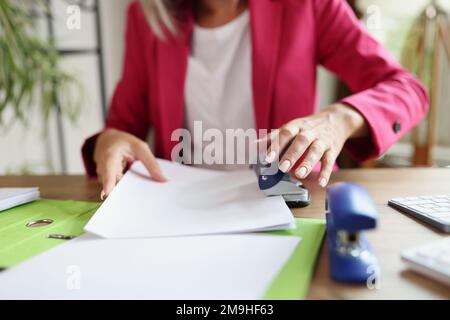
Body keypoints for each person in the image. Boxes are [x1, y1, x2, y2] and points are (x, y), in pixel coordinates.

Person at [82, 0, 429, 198]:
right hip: (179, 211)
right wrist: (108, 142)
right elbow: (121, 131)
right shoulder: (145, 17)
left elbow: (406, 89)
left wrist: (339, 119)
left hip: (290, 203)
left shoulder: (307, 5)